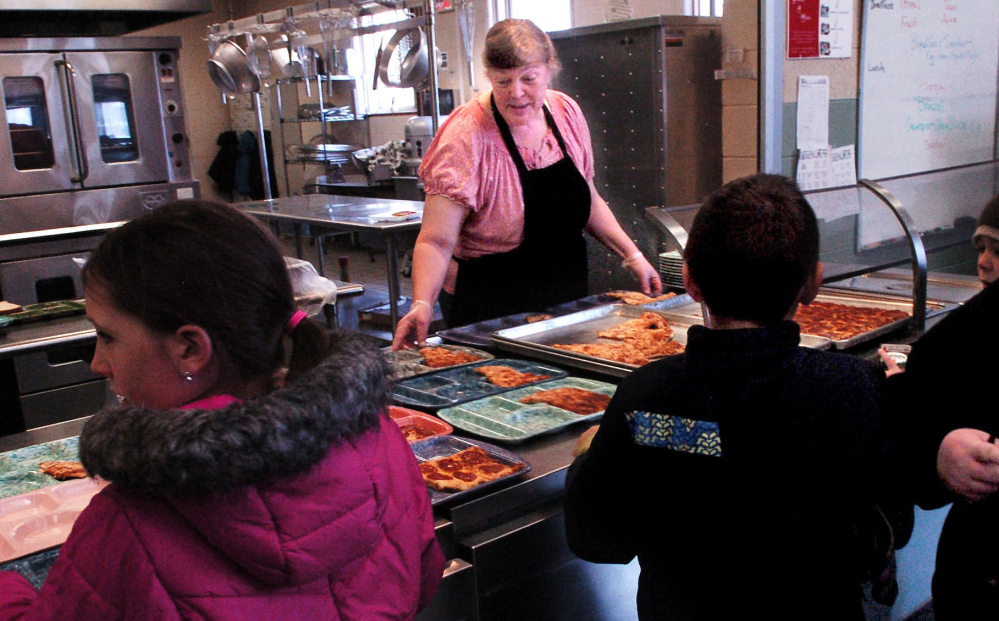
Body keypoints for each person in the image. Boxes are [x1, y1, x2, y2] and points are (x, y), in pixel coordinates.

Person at [0, 200, 445, 620]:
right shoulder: (379, 438)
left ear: (190, 348)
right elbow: (423, 577)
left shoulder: (127, 526)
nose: (98, 362)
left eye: (107, 336)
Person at [564, 174, 906, 620]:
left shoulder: (647, 401)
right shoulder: (857, 388)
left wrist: (590, 450)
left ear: (688, 279)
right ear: (813, 283)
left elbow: (597, 539)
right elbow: (896, 524)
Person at [392, 18, 660, 348]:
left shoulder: (565, 113)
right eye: (503, 81)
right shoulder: (465, 137)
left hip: (564, 300)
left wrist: (632, 255)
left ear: (550, 69)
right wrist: (422, 303)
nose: (516, 92)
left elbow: (586, 199)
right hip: (489, 308)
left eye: (529, 79)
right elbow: (435, 241)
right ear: (489, 75)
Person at [881, 193, 999, 619]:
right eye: (981, 248)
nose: (983, 262)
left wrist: (899, 391)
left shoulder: (978, 329)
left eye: (998, 251)